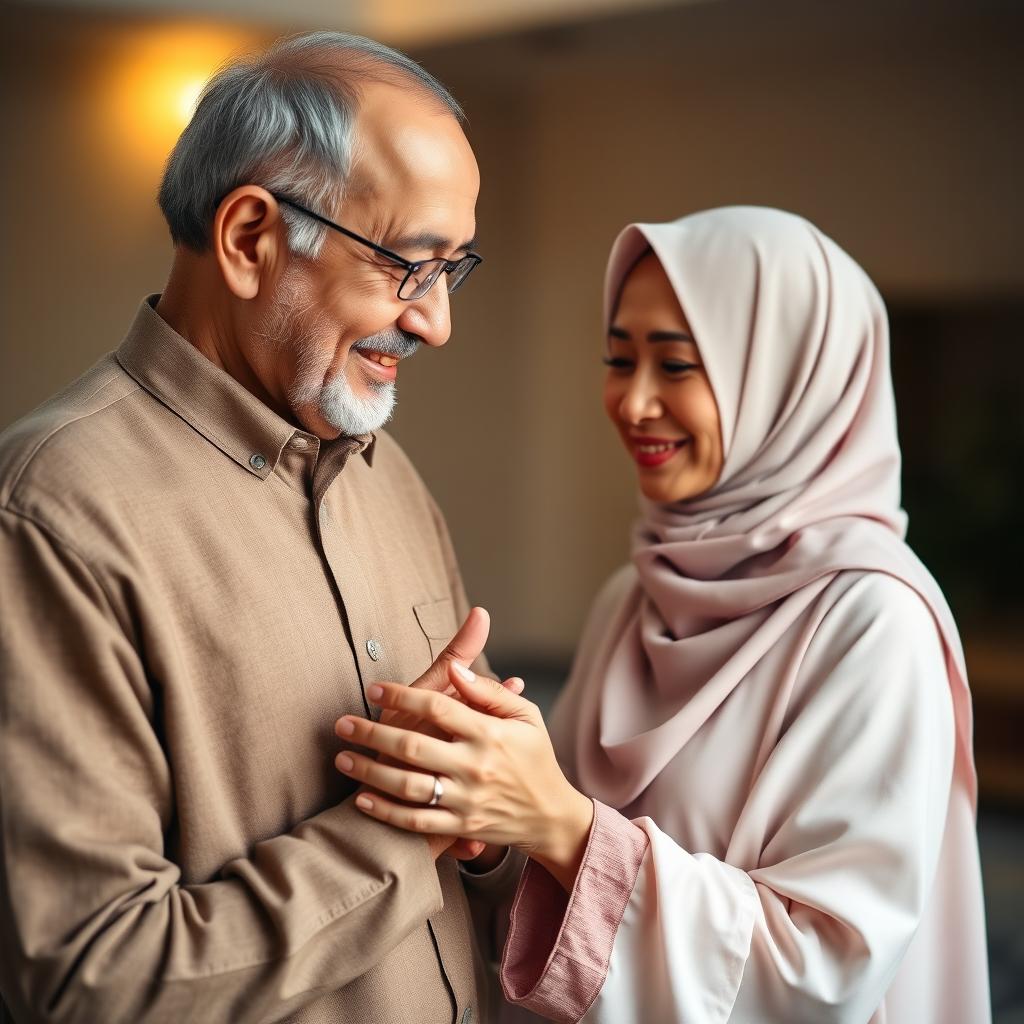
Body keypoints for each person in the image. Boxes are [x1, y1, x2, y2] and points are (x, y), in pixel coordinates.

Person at [333, 207, 992, 1023]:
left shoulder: (872, 620)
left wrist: (564, 826)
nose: (633, 402)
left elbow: (824, 971)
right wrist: (494, 823)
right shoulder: (636, 596)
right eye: (619, 359)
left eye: (677, 366)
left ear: (787, 381)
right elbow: (552, 864)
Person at [0, 30, 523, 1024]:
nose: (436, 322)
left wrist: (486, 812)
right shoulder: (51, 515)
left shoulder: (389, 475)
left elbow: (474, 862)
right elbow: (90, 982)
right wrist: (402, 827)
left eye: (454, 269)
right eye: (410, 266)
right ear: (249, 238)